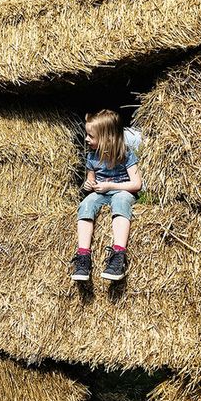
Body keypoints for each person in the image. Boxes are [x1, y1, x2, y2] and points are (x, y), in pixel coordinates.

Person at [71, 109, 142, 282]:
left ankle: (118, 255)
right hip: (100, 193)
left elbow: (136, 184)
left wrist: (111, 185)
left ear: (107, 137)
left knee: (120, 200)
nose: (86, 139)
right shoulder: (92, 157)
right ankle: (83, 257)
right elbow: (90, 181)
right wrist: (88, 185)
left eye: (90, 136)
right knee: (86, 204)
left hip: (122, 190)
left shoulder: (125, 155)